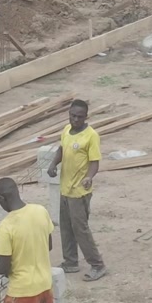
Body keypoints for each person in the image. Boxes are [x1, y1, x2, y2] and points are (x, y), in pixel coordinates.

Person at [45, 99, 107, 281]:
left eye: (80, 117)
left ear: (86, 117)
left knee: (80, 229)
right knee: (65, 227)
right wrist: (53, 164)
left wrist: (89, 177)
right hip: (65, 188)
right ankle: (70, 261)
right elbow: (61, 149)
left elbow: (95, 162)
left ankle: (97, 265)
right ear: (69, 115)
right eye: (73, 116)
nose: (76, 119)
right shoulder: (66, 130)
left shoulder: (91, 136)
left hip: (79, 191)